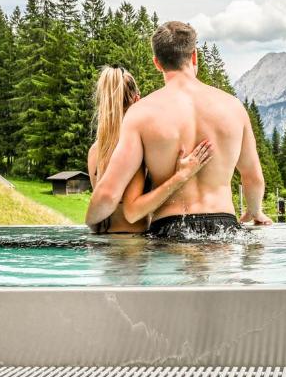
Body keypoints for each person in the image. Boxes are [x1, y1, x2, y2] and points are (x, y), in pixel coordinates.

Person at [85, 21, 273, 238]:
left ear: (157, 63)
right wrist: (254, 211)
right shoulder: (234, 107)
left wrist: (90, 221)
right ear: (194, 56)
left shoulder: (141, 113)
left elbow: (108, 195)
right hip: (225, 230)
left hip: (170, 230)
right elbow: (253, 177)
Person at [88, 65, 213, 234]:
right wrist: (180, 176)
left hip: (101, 241)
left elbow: (102, 205)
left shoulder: (95, 150)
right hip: (133, 242)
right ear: (137, 100)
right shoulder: (135, 149)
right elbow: (133, 212)